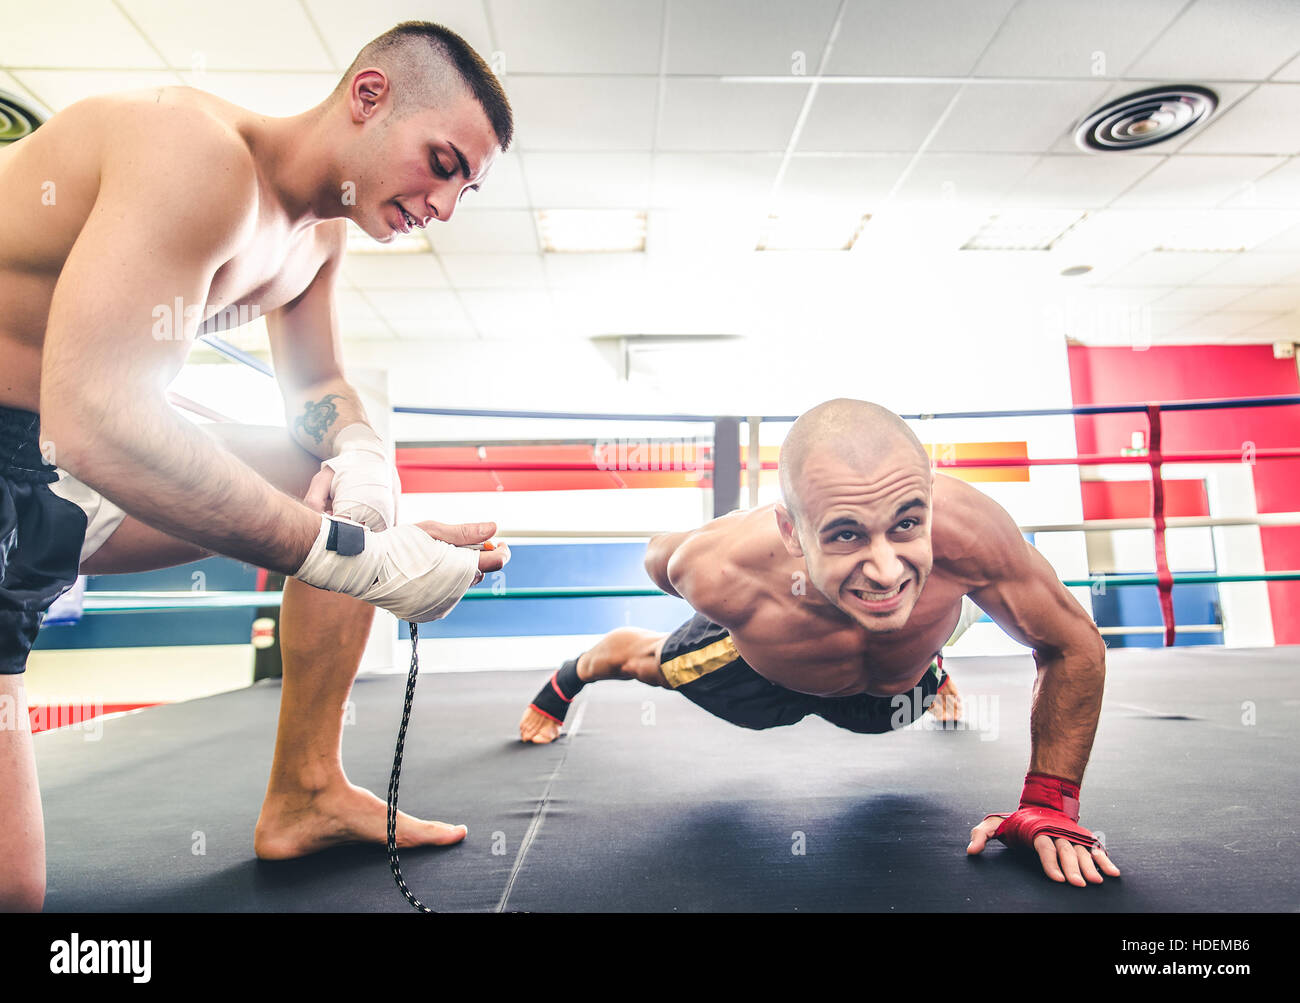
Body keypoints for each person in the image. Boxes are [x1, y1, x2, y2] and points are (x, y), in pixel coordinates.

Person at [0, 20, 512, 912]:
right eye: (442, 162)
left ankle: (306, 791)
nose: (444, 203)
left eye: (466, 190)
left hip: (49, 465)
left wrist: (365, 463)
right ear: (369, 95)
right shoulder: (194, 152)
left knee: (333, 481)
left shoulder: (315, 240)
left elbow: (319, 389)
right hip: (54, 444)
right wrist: (352, 557)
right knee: (13, 890)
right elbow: (97, 421)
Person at [520, 398, 1121, 888]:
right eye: (844, 534)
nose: (886, 570)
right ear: (791, 530)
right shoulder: (716, 567)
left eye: (907, 524)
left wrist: (1049, 804)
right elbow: (662, 559)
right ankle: (574, 674)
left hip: (892, 693)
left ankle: (925, 657)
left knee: (911, 638)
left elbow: (1073, 645)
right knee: (644, 662)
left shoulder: (974, 535)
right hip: (756, 676)